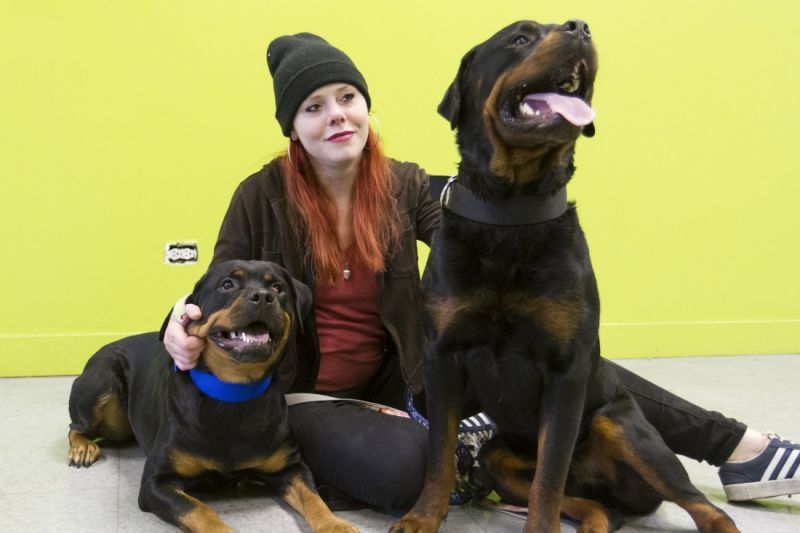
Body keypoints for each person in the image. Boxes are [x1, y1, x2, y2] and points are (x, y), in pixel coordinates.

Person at [163, 32, 800, 510]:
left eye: (348, 97)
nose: (337, 115)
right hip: (305, 389)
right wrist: (177, 323)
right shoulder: (260, 195)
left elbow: (468, 236)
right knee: (403, 477)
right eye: (314, 107)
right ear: (293, 129)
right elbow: (217, 281)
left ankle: (736, 449)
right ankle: (458, 452)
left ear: (365, 108)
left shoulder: (406, 184)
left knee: (572, 358)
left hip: (405, 381)